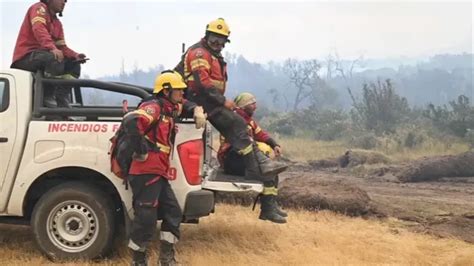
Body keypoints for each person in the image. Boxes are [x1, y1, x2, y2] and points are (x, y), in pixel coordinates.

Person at [175, 18, 288, 181]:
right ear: (206, 36)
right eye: (214, 38)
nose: (217, 43)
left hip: (206, 100)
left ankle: (259, 164)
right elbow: (202, 84)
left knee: (238, 124)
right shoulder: (199, 53)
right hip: (197, 99)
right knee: (236, 123)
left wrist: (272, 142)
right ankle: (256, 166)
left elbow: (259, 132)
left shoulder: (212, 55)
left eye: (221, 40)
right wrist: (222, 101)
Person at [124, 70, 203, 266]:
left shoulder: (170, 107)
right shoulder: (154, 107)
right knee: (146, 218)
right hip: (146, 171)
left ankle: (166, 259)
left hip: (158, 171)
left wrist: (196, 110)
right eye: (178, 91)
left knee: (172, 212)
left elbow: (185, 105)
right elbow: (132, 121)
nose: (182, 95)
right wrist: (141, 148)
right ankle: (138, 260)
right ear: (166, 90)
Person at [217, 92, 288, 224]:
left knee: (273, 173)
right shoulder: (235, 119)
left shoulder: (248, 121)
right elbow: (243, 144)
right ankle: (267, 211)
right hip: (232, 159)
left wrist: (274, 145)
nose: (255, 107)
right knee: (267, 175)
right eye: (252, 104)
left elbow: (261, 134)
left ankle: (270, 206)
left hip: (243, 159)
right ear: (243, 106)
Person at [11, 0, 87, 108]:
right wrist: (52, 48)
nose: (64, 2)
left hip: (44, 57)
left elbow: (62, 47)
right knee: (54, 58)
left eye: (66, 1)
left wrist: (75, 55)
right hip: (26, 57)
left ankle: (62, 99)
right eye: (62, 0)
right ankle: (47, 97)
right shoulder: (39, 9)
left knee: (73, 64)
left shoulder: (57, 24)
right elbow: (39, 29)